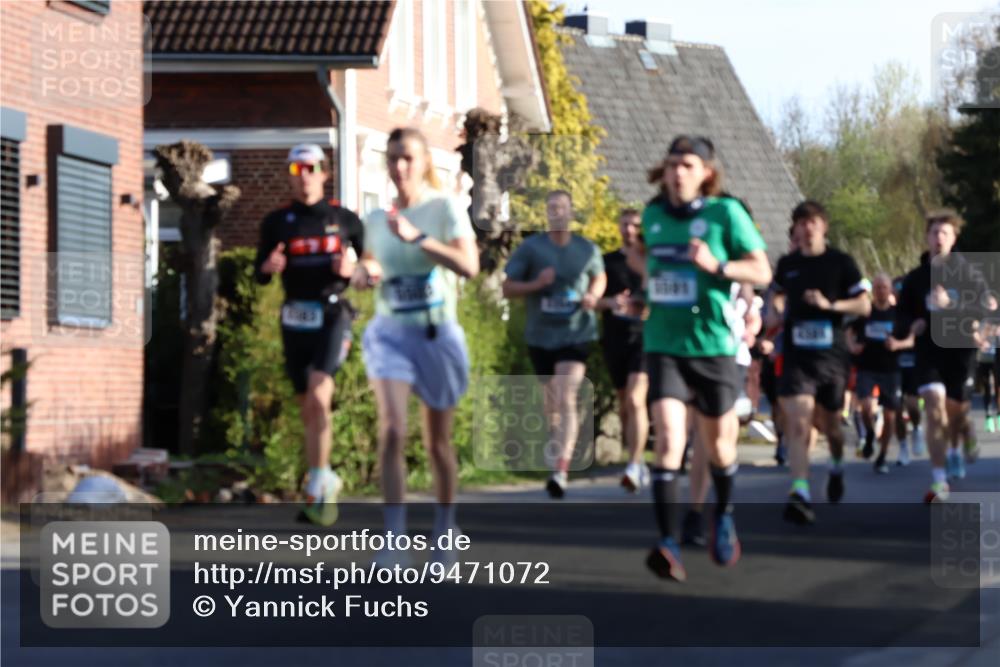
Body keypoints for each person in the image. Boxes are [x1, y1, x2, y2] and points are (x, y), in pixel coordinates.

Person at [626, 136, 771, 579]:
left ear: (706, 172)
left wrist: (718, 266)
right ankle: (668, 543)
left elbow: (762, 270)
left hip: (713, 347)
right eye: (672, 164)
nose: (677, 173)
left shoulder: (726, 213)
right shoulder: (653, 215)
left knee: (719, 447)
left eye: (687, 165)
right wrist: (643, 298)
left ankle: (722, 515)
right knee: (669, 439)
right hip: (664, 344)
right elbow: (654, 272)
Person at [352, 127, 480, 564]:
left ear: (424, 162)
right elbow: (371, 262)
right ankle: (394, 539)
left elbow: (469, 266)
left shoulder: (444, 209)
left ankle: (445, 529)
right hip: (391, 333)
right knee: (391, 430)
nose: (399, 167)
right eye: (392, 158)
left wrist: (419, 239)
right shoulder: (375, 220)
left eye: (407, 157)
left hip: (436, 334)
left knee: (437, 443)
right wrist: (363, 272)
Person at [254, 144, 363, 526]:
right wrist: (268, 267)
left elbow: (371, 269)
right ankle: (323, 478)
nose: (304, 177)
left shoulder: (344, 219)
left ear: (324, 173)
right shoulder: (277, 222)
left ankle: (318, 482)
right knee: (308, 405)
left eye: (311, 168)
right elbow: (259, 273)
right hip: (294, 317)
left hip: (332, 313)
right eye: (296, 169)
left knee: (319, 392)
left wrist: (353, 271)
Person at [502, 190, 607, 498]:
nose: (556, 213)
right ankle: (557, 443)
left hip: (576, 333)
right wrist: (537, 284)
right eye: (551, 208)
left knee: (566, 394)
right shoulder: (531, 248)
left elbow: (599, 277)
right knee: (551, 404)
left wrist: (594, 295)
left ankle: (560, 469)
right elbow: (507, 288)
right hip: (541, 335)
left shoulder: (586, 248)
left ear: (571, 212)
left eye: (561, 208)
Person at [773, 200, 871, 526]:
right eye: (801, 223)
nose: (806, 228)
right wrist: (774, 309)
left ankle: (837, 465)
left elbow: (864, 306)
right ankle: (800, 491)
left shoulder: (841, 262)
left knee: (831, 428)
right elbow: (774, 294)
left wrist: (830, 305)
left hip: (832, 356)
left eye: (812, 222)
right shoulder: (787, 263)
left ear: (824, 226)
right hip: (797, 356)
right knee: (798, 423)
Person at [891, 209, 994, 502]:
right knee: (934, 408)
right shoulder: (916, 278)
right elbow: (901, 314)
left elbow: (983, 309)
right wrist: (912, 324)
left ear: (953, 238)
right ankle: (939, 480)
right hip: (929, 352)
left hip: (961, 351)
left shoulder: (969, 274)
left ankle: (962, 440)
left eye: (944, 233)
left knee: (956, 412)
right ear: (927, 237)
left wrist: (950, 305)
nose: (938, 238)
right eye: (934, 232)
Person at [596, 208, 650, 492]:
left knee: (635, 399)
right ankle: (636, 458)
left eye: (635, 225)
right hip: (615, 338)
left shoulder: (650, 261)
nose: (629, 230)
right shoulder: (607, 261)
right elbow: (593, 300)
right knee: (624, 404)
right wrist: (611, 302)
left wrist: (646, 305)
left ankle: (634, 464)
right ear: (618, 226)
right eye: (625, 224)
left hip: (645, 338)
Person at [846, 273, 902, 474]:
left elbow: (910, 336)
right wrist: (852, 346)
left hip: (891, 369)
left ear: (890, 290)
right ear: (873, 290)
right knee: (866, 408)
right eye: (877, 287)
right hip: (867, 366)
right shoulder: (866, 313)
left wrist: (898, 344)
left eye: (884, 287)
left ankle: (882, 456)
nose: (881, 291)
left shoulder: (897, 313)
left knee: (889, 416)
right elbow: (848, 331)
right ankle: (869, 434)